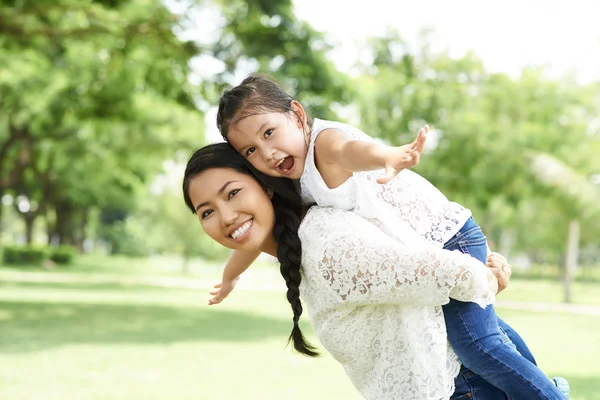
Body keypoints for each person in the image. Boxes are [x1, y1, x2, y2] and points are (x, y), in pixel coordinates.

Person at [209, 74, 569, 399]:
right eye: (251, 151)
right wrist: (229, 276)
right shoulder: (293, 182)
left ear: (298, 115)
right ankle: (546, 385)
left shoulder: (323, 144)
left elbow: (351, 150)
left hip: (445, 236)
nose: (267, 152)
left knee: (477, 343)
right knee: (482, 329)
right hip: (423, 250)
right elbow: (258, 234)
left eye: (269, 133)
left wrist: (389, 155)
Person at [183, 142, 506, 399]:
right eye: (207, 211)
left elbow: (429, 269)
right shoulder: (302, 245)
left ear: (265, 186)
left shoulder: (322, 243)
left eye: (233, 193)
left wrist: (484, 277)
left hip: (461, 388)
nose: (225, 216)